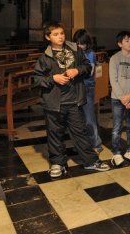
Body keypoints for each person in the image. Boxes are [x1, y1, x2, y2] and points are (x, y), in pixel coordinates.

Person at [33, 22, 110, 178]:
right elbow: (36, 79)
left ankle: (90, 161)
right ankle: (57, 163)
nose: (60, 36)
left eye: (61, 33)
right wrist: (52, 78)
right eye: (55, 34)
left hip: (74, 100)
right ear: (48, 37)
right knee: (55, 134)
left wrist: (77, 70)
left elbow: (88, 67)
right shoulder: (45, 57)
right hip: (54, 103)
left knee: (80, 132)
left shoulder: (75, 50)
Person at [109, 30, 130, 167]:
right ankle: (116, 152)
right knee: (117, 127)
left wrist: (129, 96)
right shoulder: (114, 59)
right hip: (117, 99)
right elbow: (113, 80)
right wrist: (123, 98)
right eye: (127, 40)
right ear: (119, 43)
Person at [72, 28, 102, 154]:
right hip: (75, 87)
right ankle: (81, 144)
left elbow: (89, 72)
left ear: (87, 43)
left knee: (89, 118)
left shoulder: (90, 54)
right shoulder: (74, 52)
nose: (80, 46)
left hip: (87, 87)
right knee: (77, 119)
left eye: (82, 43)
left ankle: (96, 143)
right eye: (78, 43)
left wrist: (76, 72)